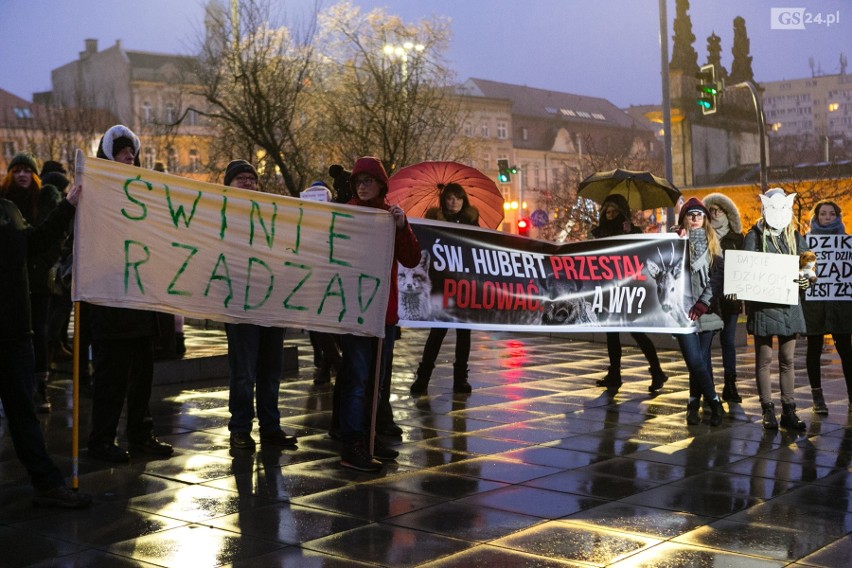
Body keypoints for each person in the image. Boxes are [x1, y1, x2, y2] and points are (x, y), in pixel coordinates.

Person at [0, 177, 91, 508]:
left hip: (15, 332)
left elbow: (36, 243)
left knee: (25, 415)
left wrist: (68, 206)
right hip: (13, 331)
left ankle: (47, 482)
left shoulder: (8, 211)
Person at [86, 125, 174, 462]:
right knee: (111, 378)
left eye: (132, 154)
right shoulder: (96, 192)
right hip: (109, 304)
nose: (129, 158)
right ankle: (102, 440)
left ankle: (141, 434)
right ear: (110, 156)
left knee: (142, 376)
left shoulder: (143, 192)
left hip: (140, 301)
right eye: (123, 153)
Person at [337, 156, 421, 472]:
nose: (362, 186)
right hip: (356, 312)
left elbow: (411, 259)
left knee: (377, 381)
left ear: (380, 185)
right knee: (358, 380)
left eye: (368, 181)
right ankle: (352, 443)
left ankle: (369, 437)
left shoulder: (390, 218)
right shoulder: (347, 215)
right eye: (358, 182)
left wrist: (402, 228)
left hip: (382, 314)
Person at [223, 159, 298, 451]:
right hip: (240, 306)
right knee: (243, 372)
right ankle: (240, 429)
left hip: (271, 304)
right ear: (228, 185)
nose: (248, 183)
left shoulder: (272, 216)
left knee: (270, 370)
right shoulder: (220, 217)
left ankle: (270, 426)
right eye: (240, 178)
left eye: (251, 178)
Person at [744, 187, 810, 430]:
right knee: (764, 360)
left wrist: (808, 277)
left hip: (789, 306)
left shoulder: (794, 234)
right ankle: (768, 410)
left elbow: (808, 261)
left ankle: (789, 411)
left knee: (787, 359)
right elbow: (746, 267)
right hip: (763, 307)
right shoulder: (754, 234)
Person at [0, 152, 62, 413]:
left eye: (27, 170)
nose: (22, 175)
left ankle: (40, 386)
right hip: (11, 284)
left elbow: (51, 237)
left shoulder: (44, 200)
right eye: (17, 170)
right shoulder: (5, 203)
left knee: (39, 332)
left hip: (37, 282)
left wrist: (41, 263)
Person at [589, 194, 668, 395]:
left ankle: (657, 371)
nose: (611, 215)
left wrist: (631, 233)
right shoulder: (598, 233)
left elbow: (643, 254)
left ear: (623, 213)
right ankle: (614, 373)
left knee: (637, 331)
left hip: (628, 289)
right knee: (612, 334)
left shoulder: (633, 231)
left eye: (615, 211)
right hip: (607, 289)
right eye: (608, 211)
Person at [410, 183, 479, 395]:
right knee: (437, 331)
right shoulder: (434, 223)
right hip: (441, 285)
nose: (454, 202)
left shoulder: (471, 223)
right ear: (444, 200)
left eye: (458, 198)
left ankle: (460, 379)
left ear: (463, 200)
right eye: (450, 198)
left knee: (463, 333)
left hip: (463, 284)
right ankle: (423, 378)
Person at [671, 198, 726, 426]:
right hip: (682, 313)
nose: (695, 218)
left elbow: (717, 277)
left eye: (699, 215)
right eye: (691, 214)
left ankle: (693, 405)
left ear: (705, 219)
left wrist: (702, 303)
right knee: (694, 360)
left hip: (707, 311)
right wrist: (674, 242)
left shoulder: (714, 243)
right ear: (684, 218)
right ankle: (714, 403)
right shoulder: (674, 241)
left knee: (701, 361)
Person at [802, 200, 852, 414]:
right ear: (816, 216)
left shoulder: (847, 243)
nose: (828, 218)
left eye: (832, 214)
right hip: (815, 306)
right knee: (814, 350)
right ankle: (817, 398)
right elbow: (802, 278)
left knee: (847, 352)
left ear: (838, 216)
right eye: (823, 214)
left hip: (841, 306)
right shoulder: (806, 244)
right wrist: (807, 278)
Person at [703, 192, 745, 403]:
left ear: (727, 212)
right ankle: (707, 387)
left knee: (728, 340)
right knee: (706, 343)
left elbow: (746, 266)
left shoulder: (737, 238)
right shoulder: (702, 236)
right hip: (708, 299)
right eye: (710, 211)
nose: (714, 214)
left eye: (717, 210)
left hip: (730, 298)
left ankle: (730, 385)